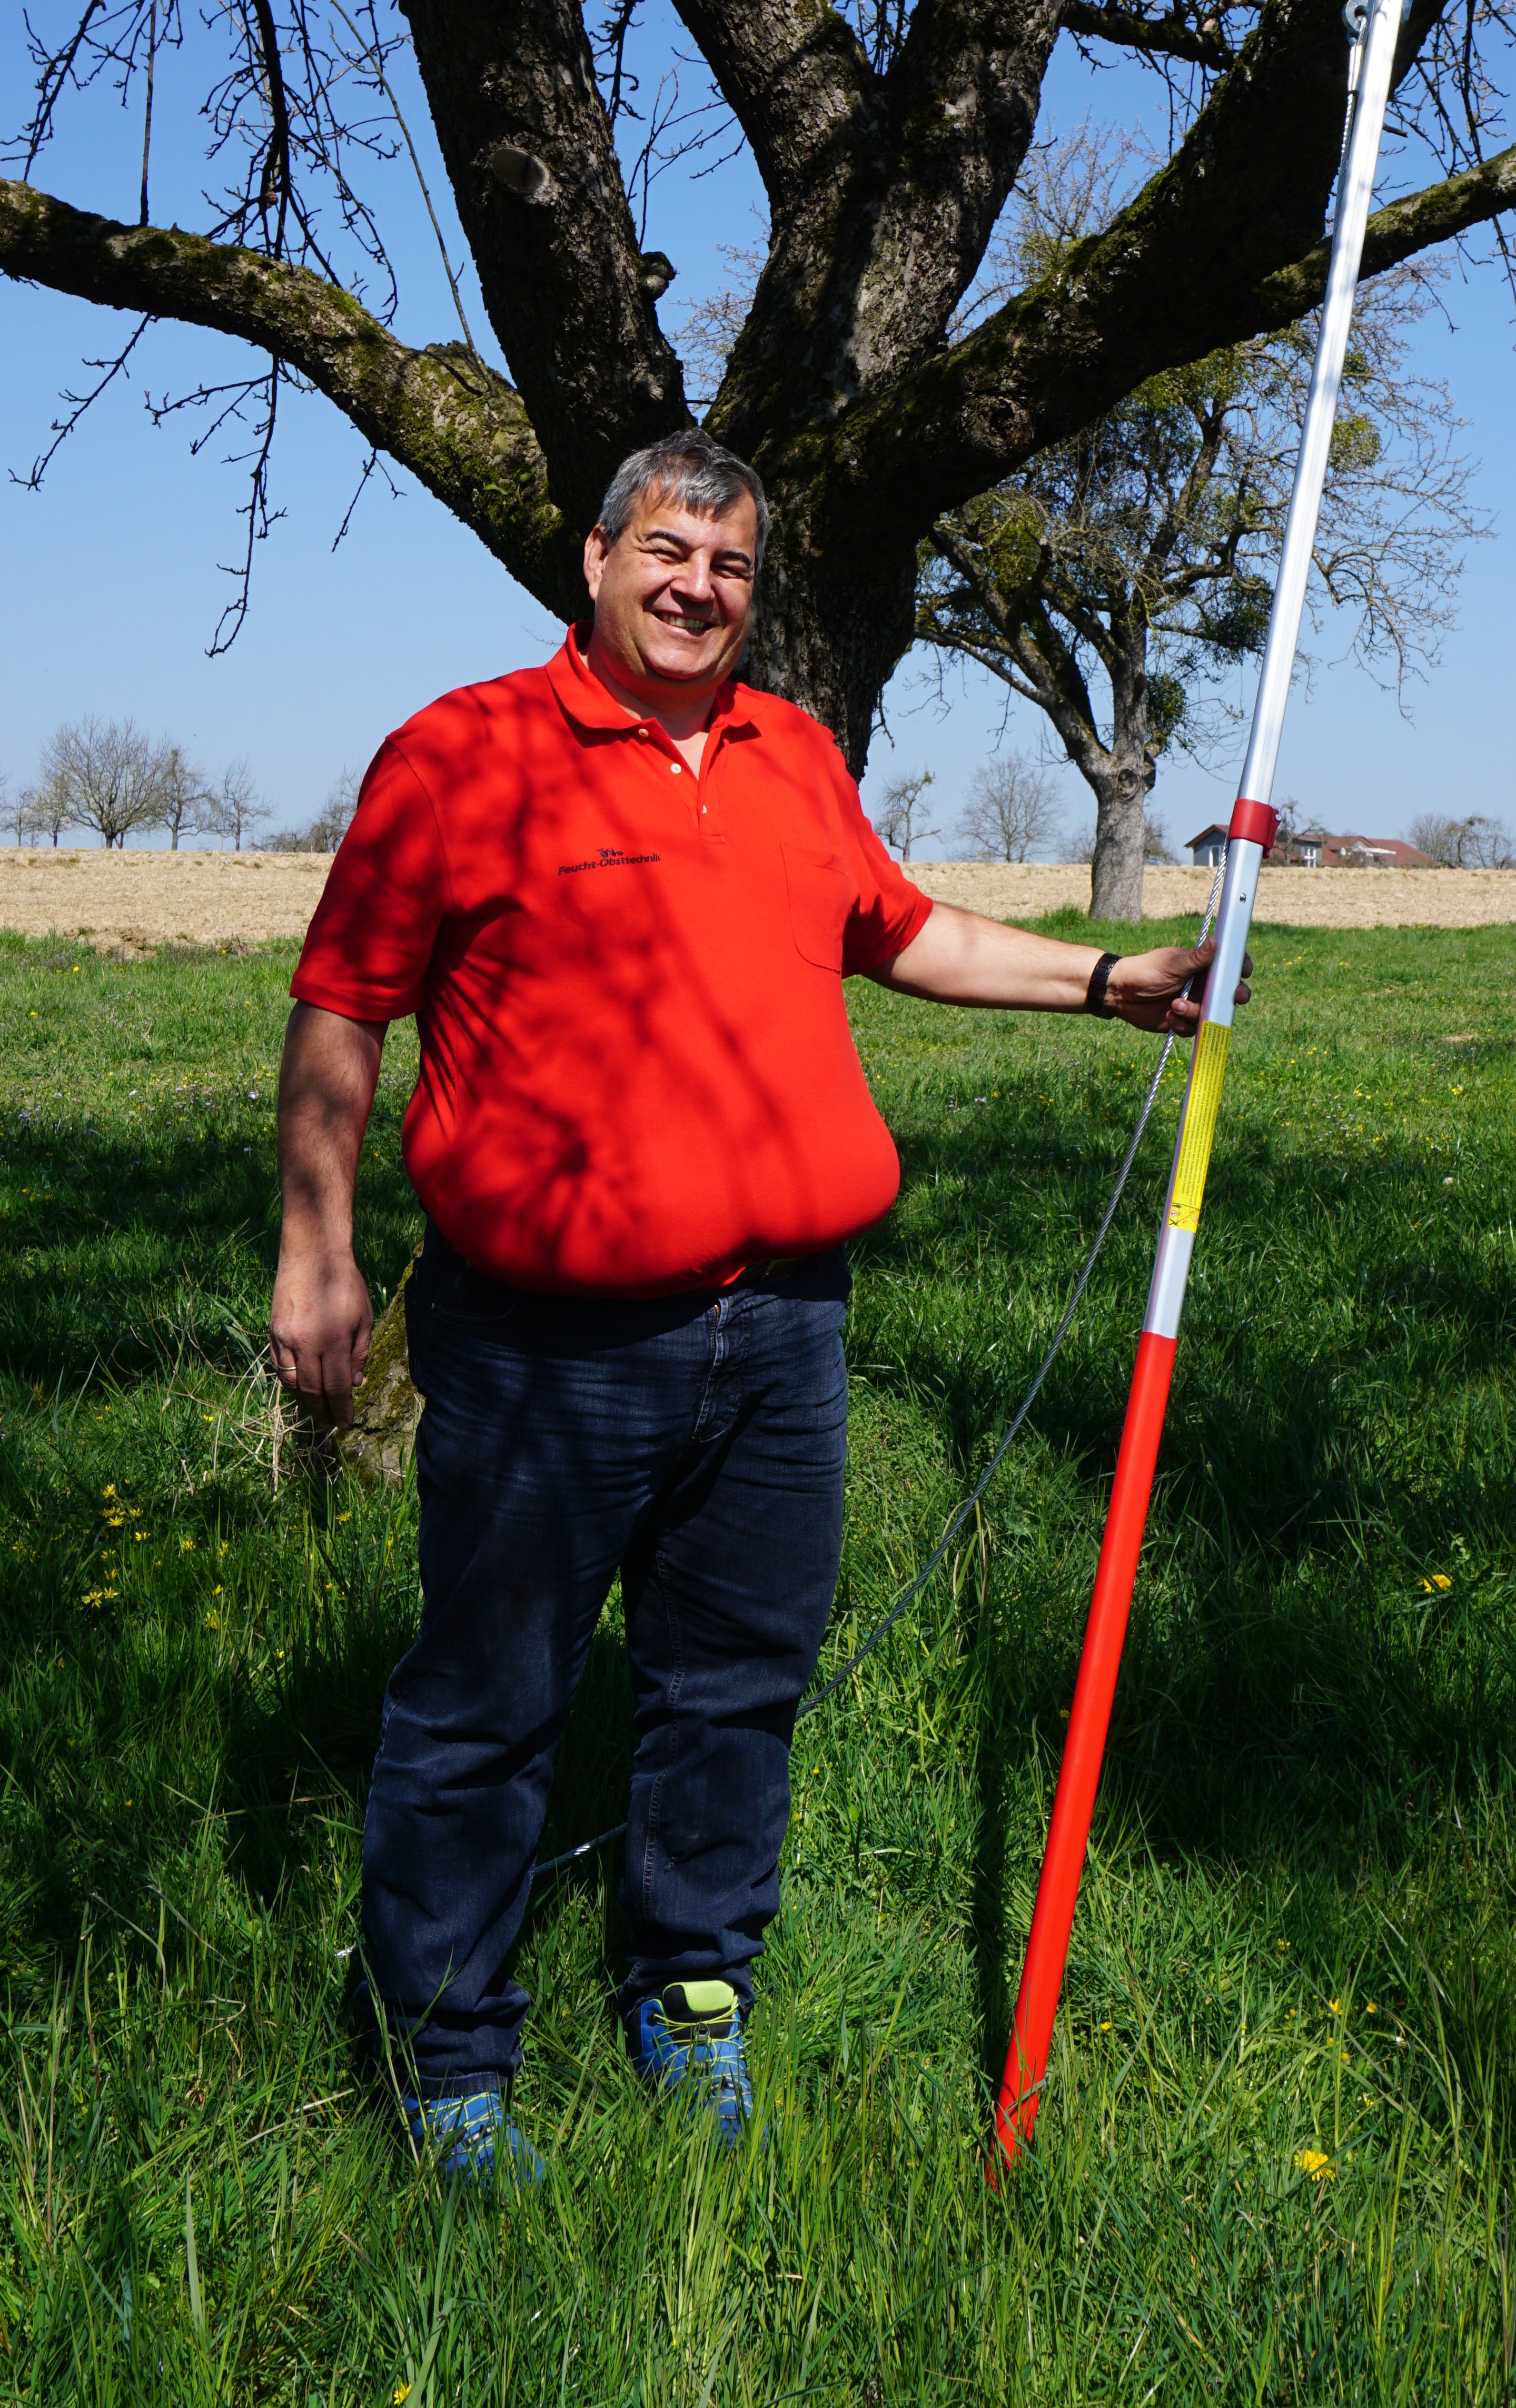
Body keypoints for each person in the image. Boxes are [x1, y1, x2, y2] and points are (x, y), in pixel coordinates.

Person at [270, 428, 1244, 2179]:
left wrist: (1111, 982)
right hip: (546, 1343)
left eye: (727, 564)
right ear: (594, 557)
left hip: (784, 1326)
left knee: (735, 1686)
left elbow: (909, 932)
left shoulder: (797, 754)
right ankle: (446, 2058)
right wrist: (317, 1248)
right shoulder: (464, 751)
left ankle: (691, 1989)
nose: (695, 587)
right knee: (489, 1702)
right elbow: (343, 1008)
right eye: (664, 550)